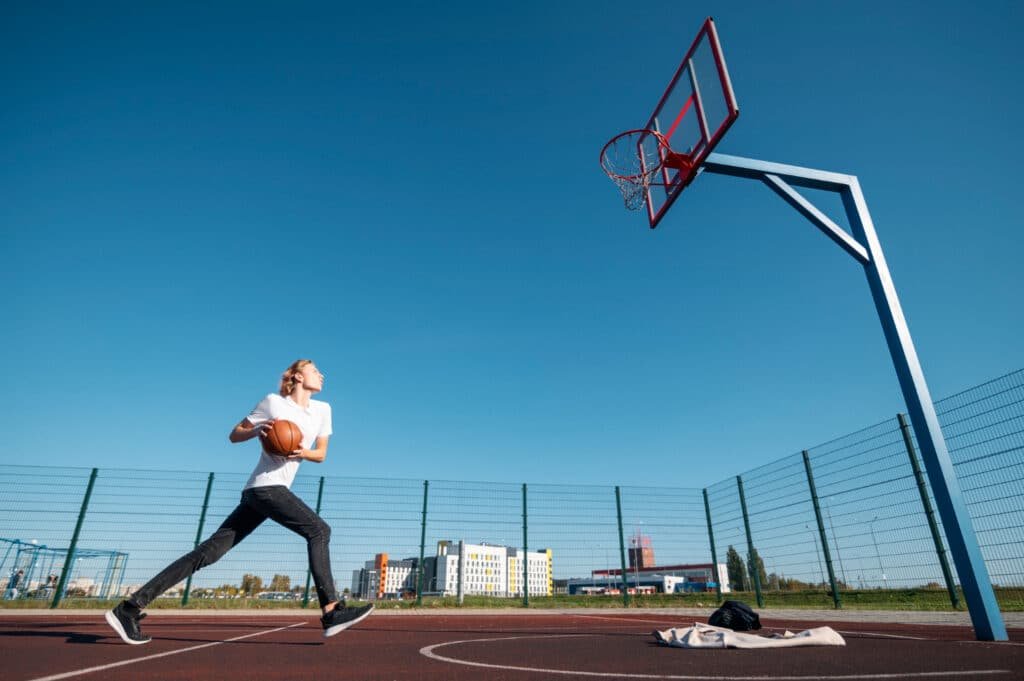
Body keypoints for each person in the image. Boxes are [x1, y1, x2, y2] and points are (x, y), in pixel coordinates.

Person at [105, 359, 373, 645]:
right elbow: (235, 435)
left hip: (265, 493)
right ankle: (331, 610)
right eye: (314, 369)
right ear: (297, 376)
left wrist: (299, 452)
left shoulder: (323, 410)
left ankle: (129, 608)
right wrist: (258, 431)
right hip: (265, 488)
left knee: (208, 553)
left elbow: (320, 454)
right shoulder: (273, 403)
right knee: (319, 530)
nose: (321, 374)